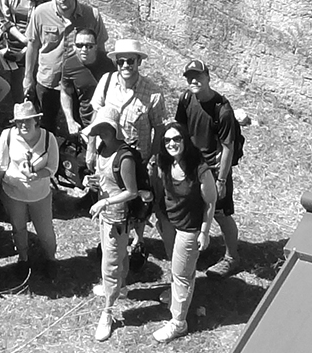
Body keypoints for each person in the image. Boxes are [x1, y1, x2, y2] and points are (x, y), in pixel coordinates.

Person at [89, 39, 167, 263]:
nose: (125, 65)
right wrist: (91, 150)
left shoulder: (153, 93)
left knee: (139, 203)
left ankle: (137, 242)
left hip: (138, 159)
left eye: (130, 60)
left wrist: (152, 159)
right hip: (109, 156)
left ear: (139, 61)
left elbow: (159, 130)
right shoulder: (106, 83)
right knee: (110, 195)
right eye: (120, 61)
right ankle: (112, 237)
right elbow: (97, 118)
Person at [173, 58, 242, 278]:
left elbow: (228, 147)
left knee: (221, 213)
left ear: (208, 78)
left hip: (214, 168)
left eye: (198, 76)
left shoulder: (222, 109)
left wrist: (221, 180)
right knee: (193, 209)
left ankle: (232, 257)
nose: (194, 80)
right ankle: (200, 245)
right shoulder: (185, 99)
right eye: (189, 77)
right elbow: (180, 130)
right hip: (193, 165)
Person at [150, 122, 217, 342]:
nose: (172, 144)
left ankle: (178, 323)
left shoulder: (199, 168)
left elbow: (210, 201)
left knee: (181, 274)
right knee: (179, 267)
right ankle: (177, 297)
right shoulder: (165, 163)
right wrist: (159, 216)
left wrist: (205, 232)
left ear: (185, 140)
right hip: (170, 223)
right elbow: (160, 190)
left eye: (176, 139)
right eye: (167, 140)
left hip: (189, 228)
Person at [25, 0, 108, 137]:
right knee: (45, 125)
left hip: (78, 82)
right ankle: (49, 157)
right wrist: (28, 77)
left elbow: (101, 49)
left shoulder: (92, 15)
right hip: (49, 80)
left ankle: (75, 158)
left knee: (78, 125)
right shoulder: (41, 13)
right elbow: (32, 45)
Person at [85, 117, 141, 342]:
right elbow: (106, 180)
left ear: (112, 129)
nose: (97, 133)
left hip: (116, 217)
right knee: (118, 255)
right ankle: (123, 285)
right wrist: (93, 183)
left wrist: (105, 202)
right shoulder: (102, 148)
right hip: (104, 214)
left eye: (101, 129)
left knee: (109, 265)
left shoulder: (124, 158)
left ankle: (107, 313)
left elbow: (132, 192)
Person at [0, 101, 59, 278]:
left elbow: (52, 167)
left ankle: (51, 259)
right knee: (18, 227)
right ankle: (23, 259)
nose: (23, 124)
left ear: (36, 120)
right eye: (19, 121)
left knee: (45, 230)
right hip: (13, 192)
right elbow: (0, 164)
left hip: (40, 193)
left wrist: (36, 176)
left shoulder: (48, 138)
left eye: (28, 120)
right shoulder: (7, 136)